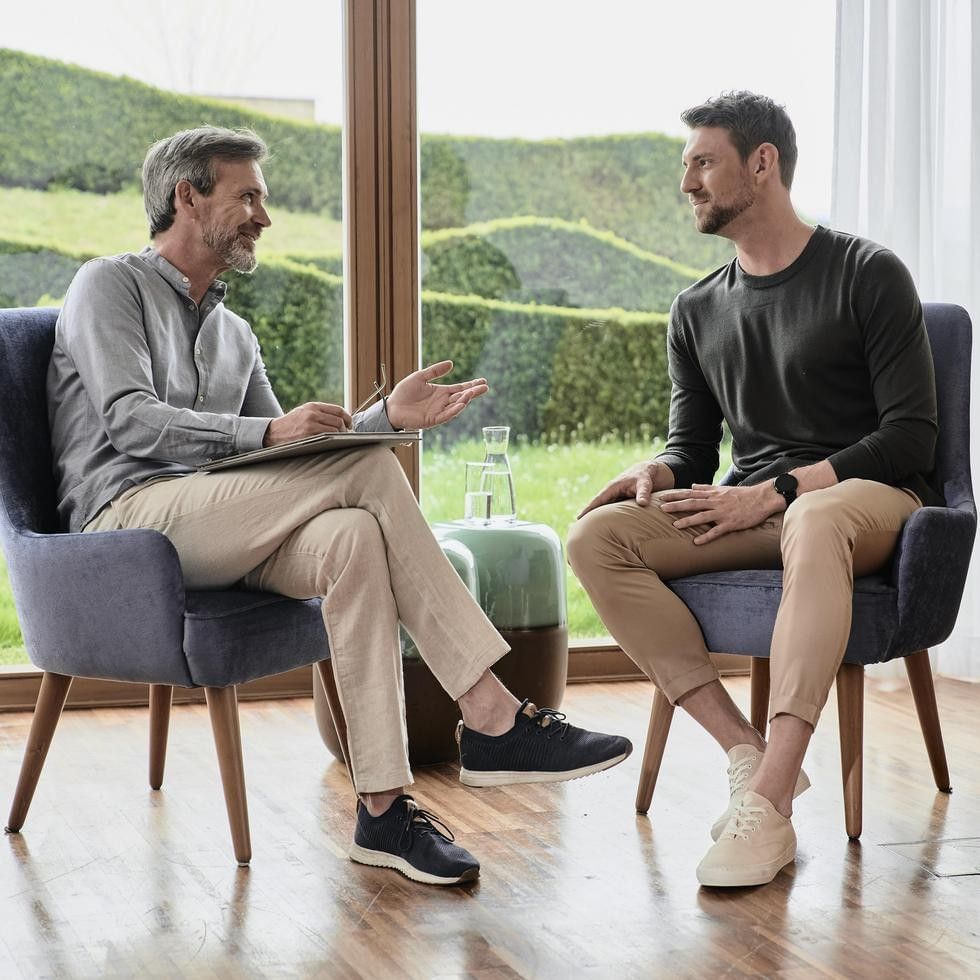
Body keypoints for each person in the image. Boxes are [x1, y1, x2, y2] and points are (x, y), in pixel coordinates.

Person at [47, 125, 632, 887]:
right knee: (368, 474)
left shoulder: (233, 332)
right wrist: (278, 433)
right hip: (126, 526)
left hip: (214, 526)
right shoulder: (108, 285)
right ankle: (492, 716)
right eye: (247, 197)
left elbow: (293, 461)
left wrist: (384, 419)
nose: (264, 216)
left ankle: (383, 810)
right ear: (187, 196)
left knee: (353, 534)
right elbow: (130, 420)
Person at [567, 91, 940, 888]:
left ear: (762, 163)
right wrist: (658, 472)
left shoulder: (866, 273)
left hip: (868, 503)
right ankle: (747, 750)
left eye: (703, 162)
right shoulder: (696, 308)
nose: (687, 183)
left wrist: (780, 490)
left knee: (815, 518)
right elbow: (694, 451)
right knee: (597, 537)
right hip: (762, 508)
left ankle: (768, 803)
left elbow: (912, 437)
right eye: (687, 166)